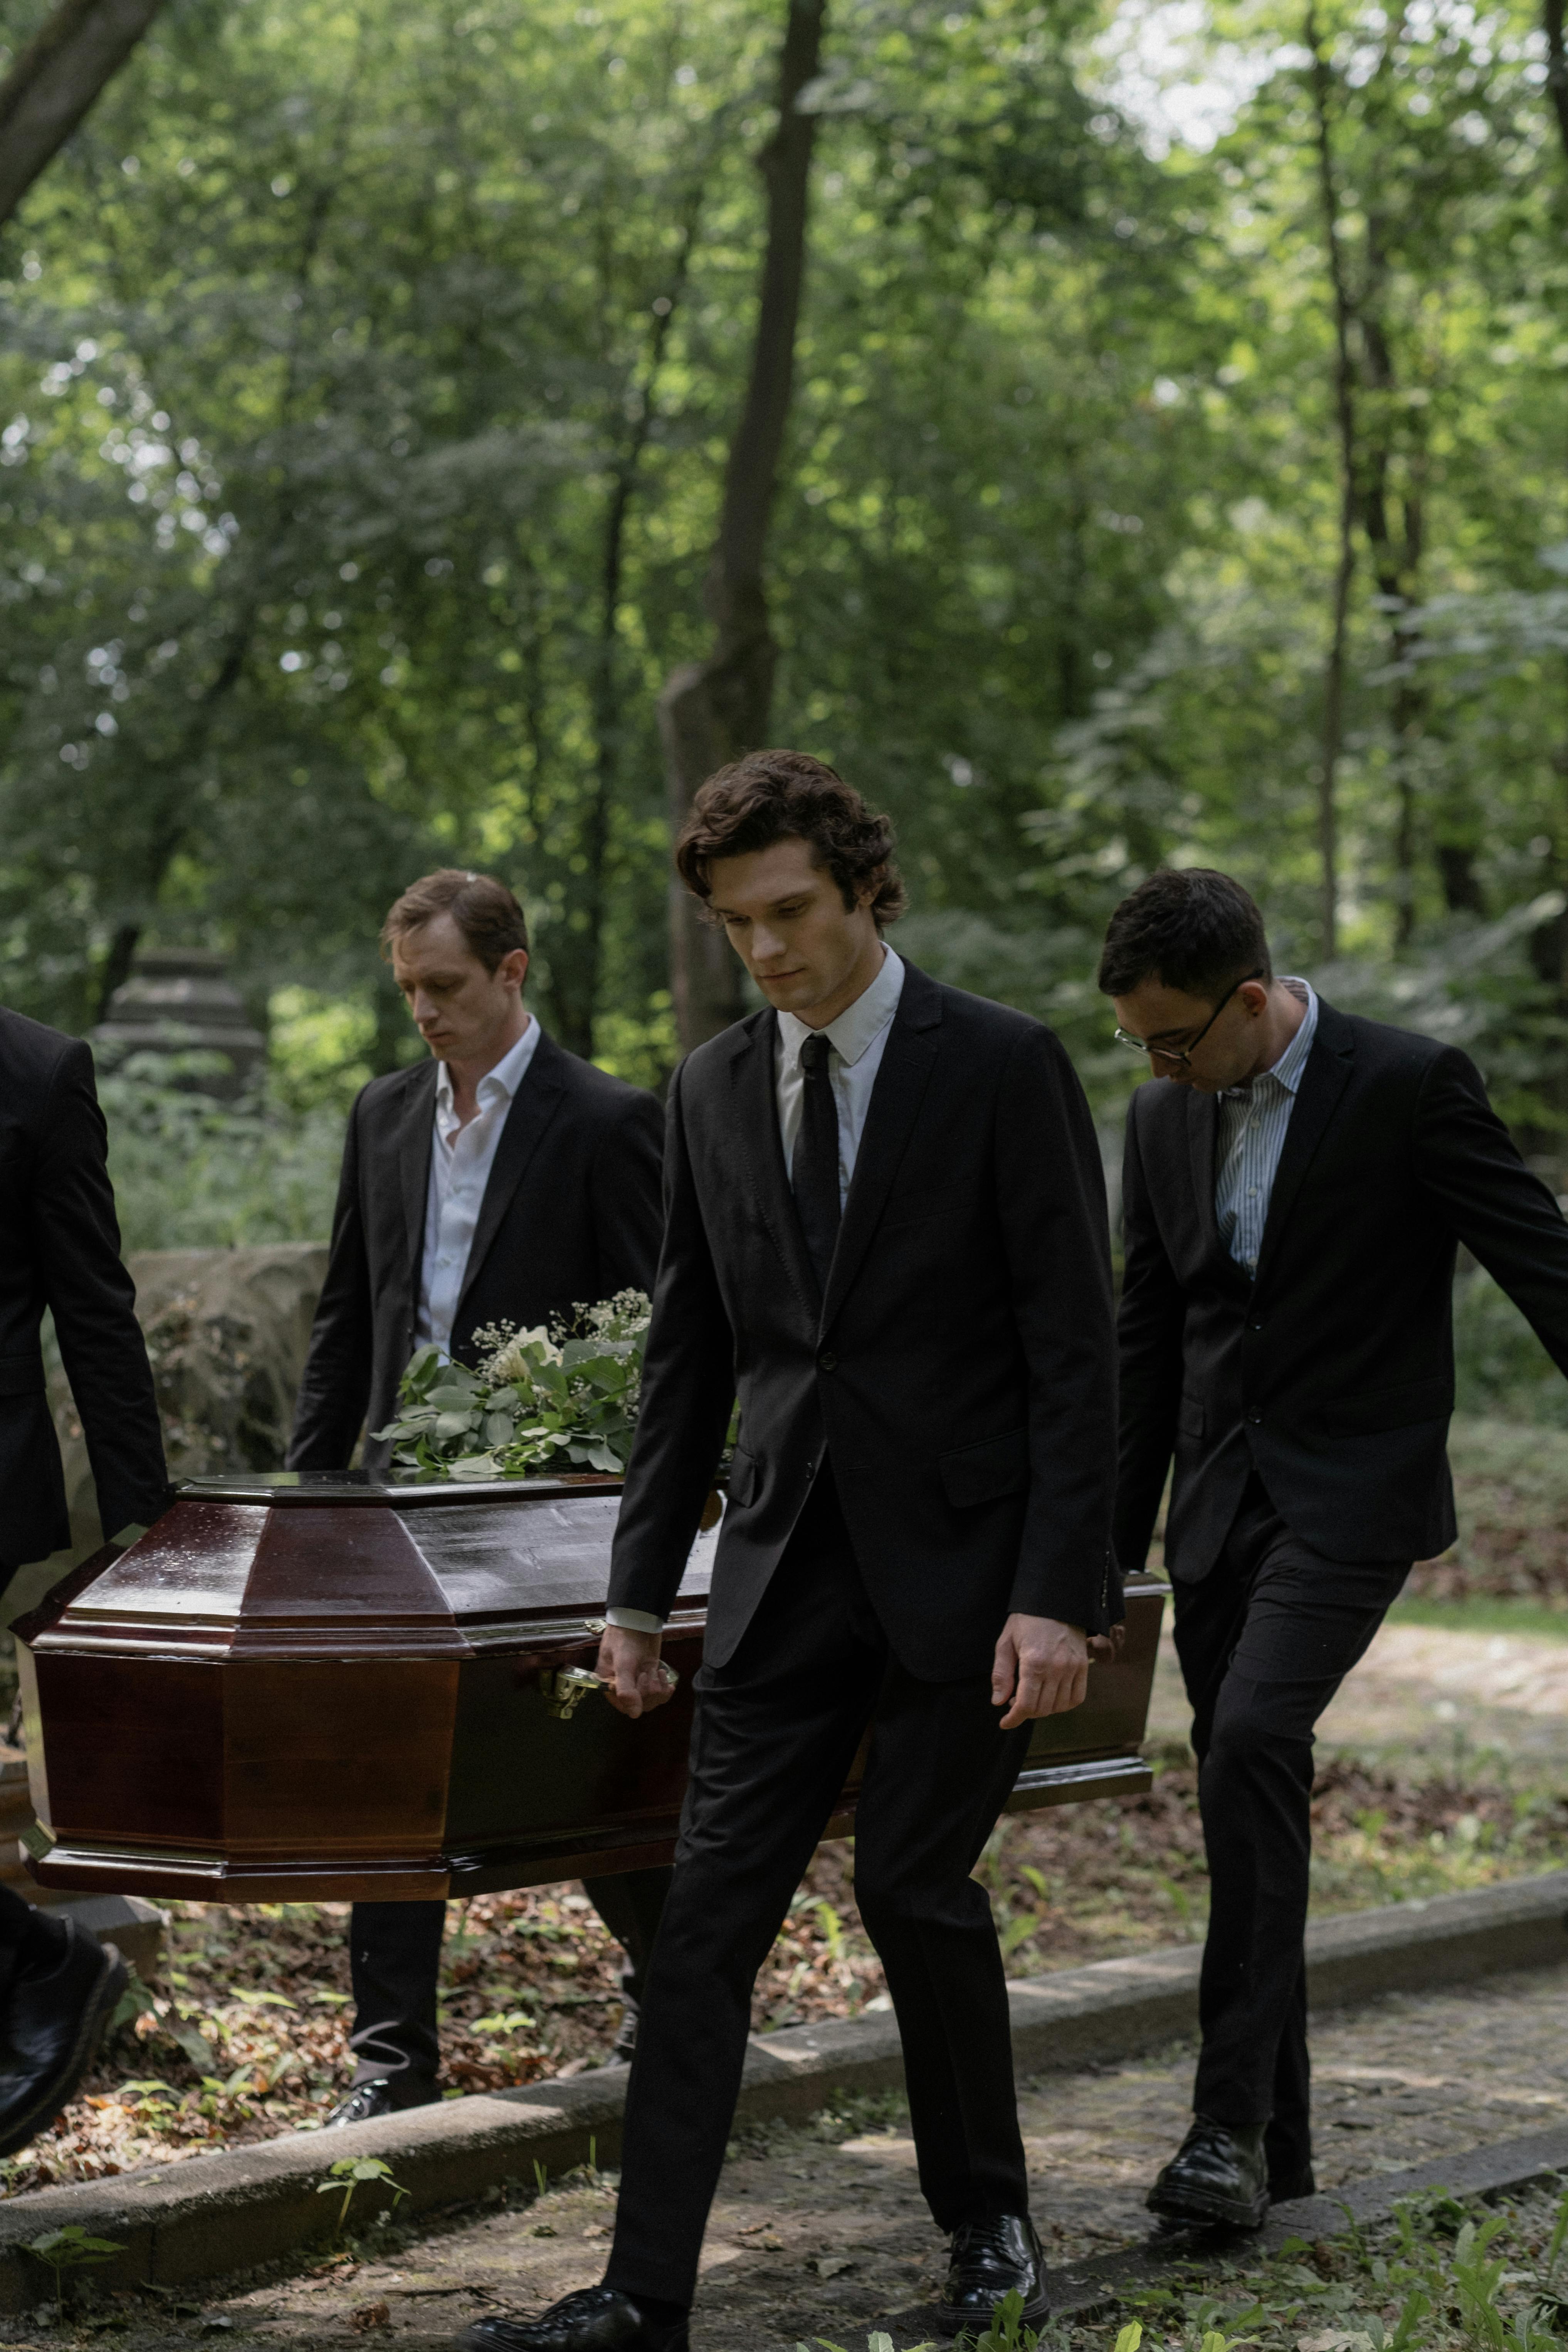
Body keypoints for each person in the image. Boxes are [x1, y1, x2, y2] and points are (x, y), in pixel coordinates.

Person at [457, 753, 1120, 2352]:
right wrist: (631, 1595)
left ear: (862, 885)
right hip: (772, 1576)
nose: (766, 947)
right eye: (736, 922)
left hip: (965, 1585)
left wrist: (1056, 1591)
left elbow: (1074, 1354)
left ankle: (990, 2227)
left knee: (912, 1885)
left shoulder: (1001, 1064)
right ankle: (643, 2293)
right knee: (701, 1927)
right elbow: (687, 1354)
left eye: (791, 910)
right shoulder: (705, 1086)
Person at [1100, 867, 1568, 2231]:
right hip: (1215, 1508)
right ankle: (1271, 2157)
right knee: (1245, 1793)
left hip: (1355, 1493)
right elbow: (1145, 1345)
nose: (1161, 1066)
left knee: (1249, 1736)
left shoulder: (1409, 1083)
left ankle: (1220, 2122)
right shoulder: (1157, 1114)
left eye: (1178, 1039)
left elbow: (1544, 1265)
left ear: (1252, 1000)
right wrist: (1106, 1565)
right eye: (1140, 1044)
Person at [287, 869, 674, 2121]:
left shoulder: (612, 1121)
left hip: (546, 1510)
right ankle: (390, 2064)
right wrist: (310, 1492)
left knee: (581, 1765)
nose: (425, 1014)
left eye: (445, 987)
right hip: (398, 1503)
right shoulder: (383, 1112)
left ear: (512, 973)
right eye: (407, 992)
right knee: (387, 1770)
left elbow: (655, 1339)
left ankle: (674, 1999)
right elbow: (350, 1312)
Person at [0, 1004, 173, 2154]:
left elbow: (95, 1314)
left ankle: (47, 1965)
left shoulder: (37, 1074)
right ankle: (44, 1963)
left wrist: (148, 1541)